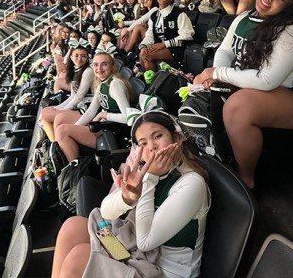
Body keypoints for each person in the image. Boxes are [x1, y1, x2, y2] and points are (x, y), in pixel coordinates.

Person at [194, 0, 293, 188]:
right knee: (201, 85)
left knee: (239, 107)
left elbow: (267, 80)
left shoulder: (292, 31)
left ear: (290, 6)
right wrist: (217, 74)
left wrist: (218, 74)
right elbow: (225, 50)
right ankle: (215, 158)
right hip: (258, 89)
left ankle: (245, 178)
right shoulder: (245, 17)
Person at [51, 111, 210, 278]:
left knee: (79, 259)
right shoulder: (147, 173)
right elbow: (106, 212)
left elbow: (145, 242)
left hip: (161, 271)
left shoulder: (191, 183)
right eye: (143, 143)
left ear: (176, 138)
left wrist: (150, 179)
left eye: (158, 136)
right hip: (133, 256)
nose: (152, 147)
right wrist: (127, 197)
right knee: (73, 227)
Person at [52, 52, 132, 161]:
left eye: (104, 64)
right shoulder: (102, 83)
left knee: (62, 131)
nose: (99, 68)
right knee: (63, 129)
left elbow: (128, 118)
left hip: (115, 133)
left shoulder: (115, 84)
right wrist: (76, 127)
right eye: (95, 64)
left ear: (112, 66)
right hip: (105, 127)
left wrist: (105, 115)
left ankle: (75, 169)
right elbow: (91, 111)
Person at [40, 46, 93, 141]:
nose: (79, 59)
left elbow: (79, 97)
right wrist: (58, 107)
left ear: (87, 58)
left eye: (83, 56)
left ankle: (56, 143)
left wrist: (62, 110)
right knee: (45, 111)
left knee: (52, 116)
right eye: (76, 56)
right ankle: (54, 142)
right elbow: (73, 95)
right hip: (79, 105)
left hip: (86, 107)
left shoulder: (88, 71)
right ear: (71, 58)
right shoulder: (76, 69)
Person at [138, 0, 195, 71]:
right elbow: (149, 36)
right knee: (142, 53)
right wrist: (143, 46)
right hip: (159, 47)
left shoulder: (179, 14)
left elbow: (187, 35)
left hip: (177, 49)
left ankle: (153, 83)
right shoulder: (153, 16)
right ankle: (149, 80)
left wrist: (164, 44)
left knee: (147, 56)